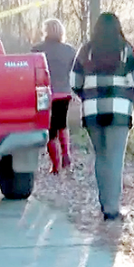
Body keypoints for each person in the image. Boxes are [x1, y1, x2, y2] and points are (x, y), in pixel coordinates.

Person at [71, 12, 134, 221]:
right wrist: (131, 99)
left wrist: (87, 96)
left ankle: (105, 204)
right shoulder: (125, 50)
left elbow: (74, 81)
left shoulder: (86, 51)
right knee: (114, 159)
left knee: (101, 158)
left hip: (93, 111)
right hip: (119, 112)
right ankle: (112, 209)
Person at [31, 18, 77, 174]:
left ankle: (55, 165)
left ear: (46, 32)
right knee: (62, 124)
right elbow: (75, 72)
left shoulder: (37, 50)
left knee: (50, 129)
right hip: (64, 92)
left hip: (46, 94)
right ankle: (66, 154)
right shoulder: (70, 51)